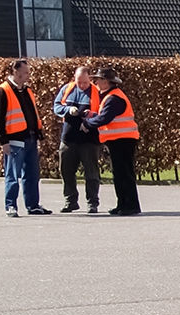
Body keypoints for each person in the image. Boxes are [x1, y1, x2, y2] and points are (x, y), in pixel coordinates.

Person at [0, 58, 52, 217]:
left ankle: (33, 205)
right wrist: (3, 142)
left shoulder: (27, 91)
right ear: (15, 71)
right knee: (12, 175)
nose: (28, 75)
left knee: (32, 174)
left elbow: (33, 114)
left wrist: (39, 133)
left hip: (30, 138)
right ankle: (10, 205)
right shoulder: (3, 91)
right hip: (14, 140)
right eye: (25, 72)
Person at [85, 66, 140, 216]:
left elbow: (105, 118)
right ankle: (123, 204)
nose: (95, 82)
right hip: (119, 140)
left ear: (105, 81)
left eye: (97, 79)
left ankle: (130, 205)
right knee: (120, 173)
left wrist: (87, 124)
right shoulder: (110, 96)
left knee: (124, 173)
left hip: (123, 140)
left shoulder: (114, 98)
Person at [53, 65, 101, 214]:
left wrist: (90, 115)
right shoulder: (67, 89)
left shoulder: (96, 92)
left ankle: (92, 202)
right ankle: (70, 201)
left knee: (91, 173)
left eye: (84, 82)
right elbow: (56, 107)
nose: (81, 85)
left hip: (89, 139)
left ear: (89, 79)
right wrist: (68, 110)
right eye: (78, 81)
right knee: (66, 171)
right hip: (68, 138)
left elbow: (102, 113)